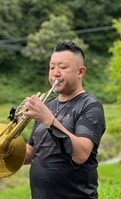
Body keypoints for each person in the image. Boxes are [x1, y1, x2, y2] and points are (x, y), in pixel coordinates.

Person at [23, 41, 106, 199]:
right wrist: (6, 150)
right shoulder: (47, 105)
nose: (55, 73)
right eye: (52, 67)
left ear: (80, 72)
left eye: (62, 67)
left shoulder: (90, 106)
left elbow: (81, 154)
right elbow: (30, 153)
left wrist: (48, 119)